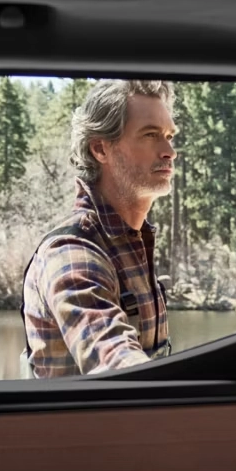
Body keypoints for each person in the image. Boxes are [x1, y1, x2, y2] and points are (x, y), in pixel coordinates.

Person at [21, 80, 176, 378]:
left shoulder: (133, 240)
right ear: (100, 149)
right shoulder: (72, 252)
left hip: (137, 422)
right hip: (81, 426)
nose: (169, 151)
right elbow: (112, 357)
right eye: (150, 135)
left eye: (170, 136)